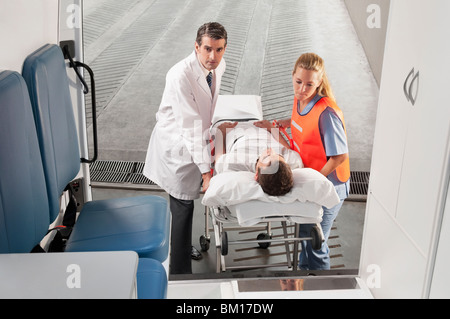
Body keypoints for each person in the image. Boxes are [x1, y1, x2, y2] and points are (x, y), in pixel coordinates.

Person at [143, 22, 227, 274]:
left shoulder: (217, 65)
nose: (213, 57)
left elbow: (207, 106)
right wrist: (205, 172)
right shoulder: (180, 75)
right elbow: (190, 127)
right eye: (208, 49)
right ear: (196, 46)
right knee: (182, 208)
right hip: (177, 145)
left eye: (219, 49)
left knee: (184, 207)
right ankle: (180, 275)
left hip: (195, 139)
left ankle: (179, 248)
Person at [254, 52, 350, 270]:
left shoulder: (327, 113)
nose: (302, 89)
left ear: (319, 83)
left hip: (329, 183)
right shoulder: (300, 99)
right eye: (298, 82)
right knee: (305, 234)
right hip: (312, 175)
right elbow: (301, 120)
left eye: (309, 85)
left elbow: (340, 156)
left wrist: (315, 178)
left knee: (316, 240)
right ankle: (303, 280)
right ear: (293, 76)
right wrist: (279, 123)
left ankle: (319, 286)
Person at [213, 121, 303, 196]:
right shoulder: (294, 162)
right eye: (279, 155)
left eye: (267, 157)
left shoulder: (235, 164)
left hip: (235, 130)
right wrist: (272, 128)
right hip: (264, 128)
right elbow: (286, 149)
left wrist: (220, 132)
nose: (271, 150)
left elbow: (219, 158)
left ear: (256, 175)